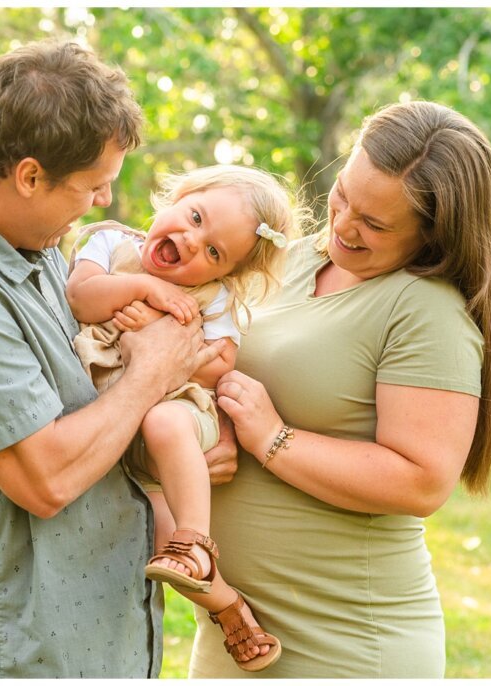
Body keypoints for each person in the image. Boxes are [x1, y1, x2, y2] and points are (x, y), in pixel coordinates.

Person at [0, 41, 233, 678]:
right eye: (93, 186)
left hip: (95, 631)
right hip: (26, 647)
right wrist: (153, 374)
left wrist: (177, 446)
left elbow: (80, 407)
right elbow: (45, 479)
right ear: (29, 176)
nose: (103, 204)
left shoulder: (29, 246)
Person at [187, 100, 491, 678]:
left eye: (376, 223)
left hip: (347, 642)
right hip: (236, 633)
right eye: (343, 197)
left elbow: (421, 480)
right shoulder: (287, 262)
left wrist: (271, 438)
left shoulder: (424, 310)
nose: (343, 226)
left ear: (433, 232)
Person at [66, 164, 300, 671]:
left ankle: (195, 542)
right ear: (179, 197)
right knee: (147, 540)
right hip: (108, 424)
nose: (192, 242)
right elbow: (81, 296)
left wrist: (168, 350)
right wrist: (146, 294)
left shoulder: (215, 298)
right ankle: (226, 603)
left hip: (169, 417)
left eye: (214, 252)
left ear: (224, 274)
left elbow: (219, 363)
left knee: (165, 427)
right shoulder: (108, 245)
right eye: (194, 217)